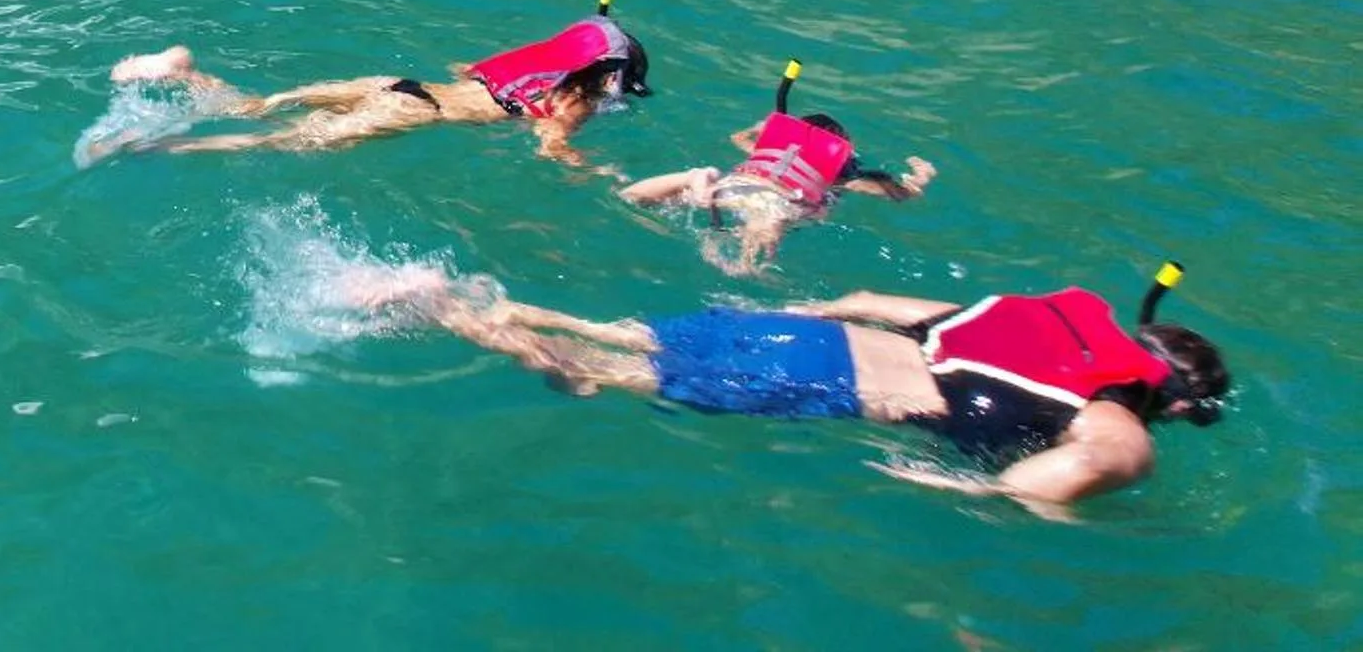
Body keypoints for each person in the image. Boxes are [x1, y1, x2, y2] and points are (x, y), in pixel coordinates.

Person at [341, 260, 1229, 513]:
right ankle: (445, 314)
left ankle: (444, 286)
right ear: (1170, 400)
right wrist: (979, 491)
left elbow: (877, 301)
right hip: (816, 376)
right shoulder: (1119, 417)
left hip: (810, 334)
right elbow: (1077, 469)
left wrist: (807, 308)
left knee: (603, 334)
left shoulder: (1056, 326)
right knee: (590, 381)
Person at [93, 0, 650, 164]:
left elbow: (464, 75)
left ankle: (183, 72)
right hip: (416, 112)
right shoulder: (570, 101)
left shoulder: (522, 68)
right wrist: (590, 169)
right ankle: (145, 145)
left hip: (395, 84)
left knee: (259, 107)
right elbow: (550, 145)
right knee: (277, 141)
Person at [616, 60, 934, 272]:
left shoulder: (767, 151)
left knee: (632, 198)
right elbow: (898, 193)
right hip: (773, 202)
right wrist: (919, 180)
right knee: (746, 267)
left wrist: (762, 127)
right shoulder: (840, 180)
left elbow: (737, 138)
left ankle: (694, 176)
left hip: (734, 184)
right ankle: (740, 258)